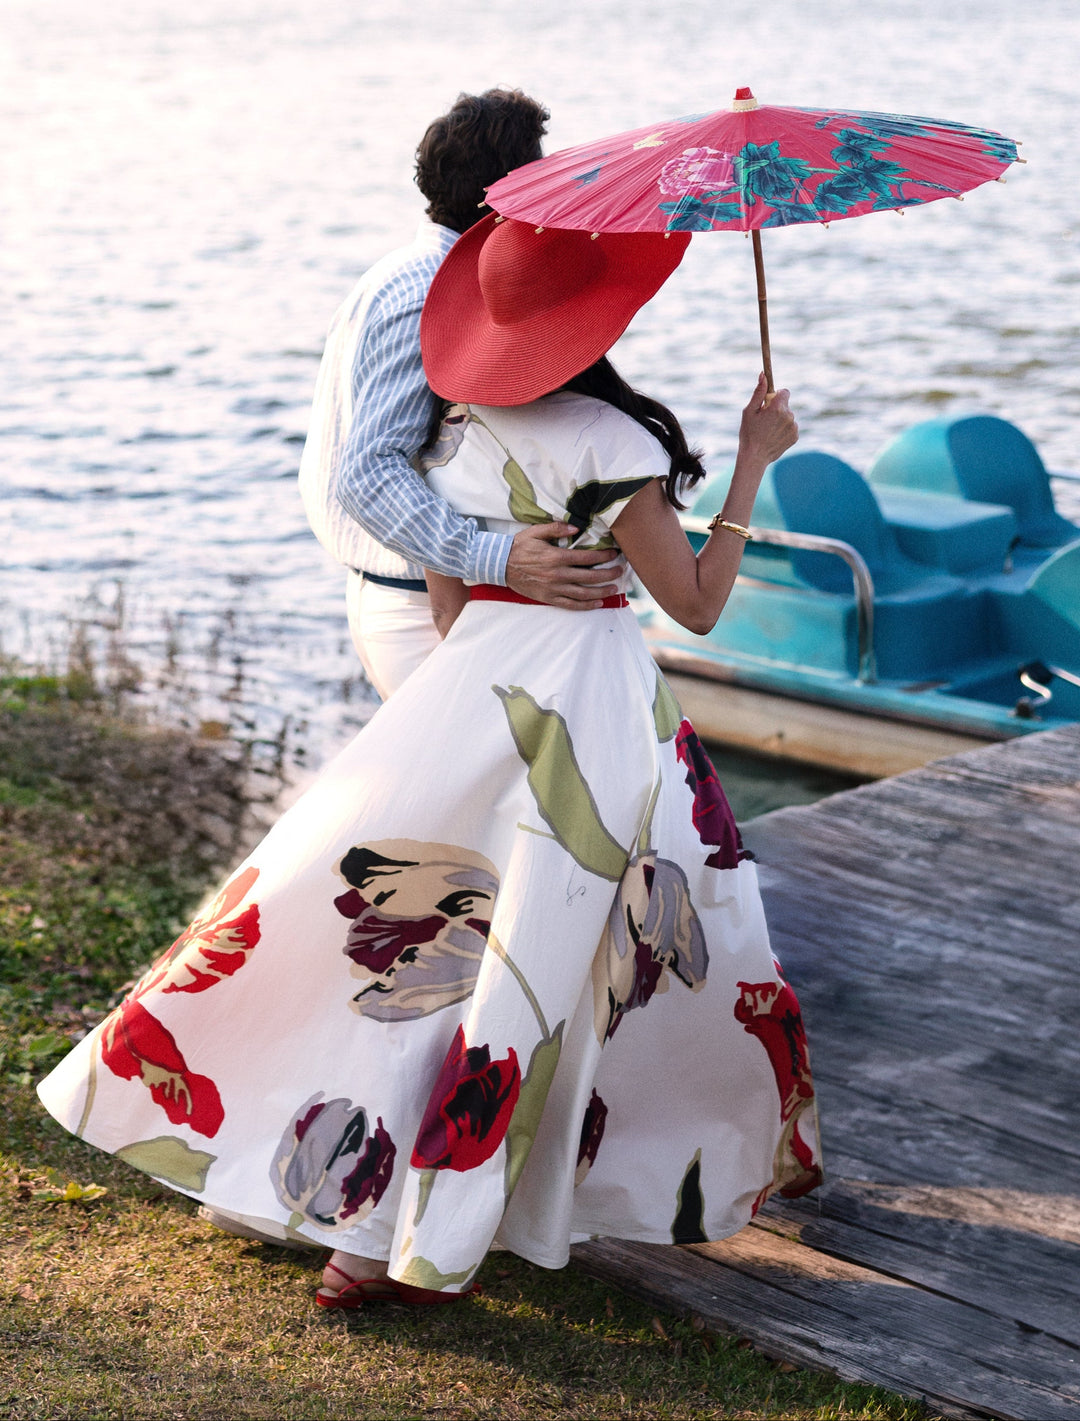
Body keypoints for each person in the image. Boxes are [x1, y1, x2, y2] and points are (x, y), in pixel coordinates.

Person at [38, 215, 820, 1310]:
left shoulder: (452, 436)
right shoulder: (614, 444)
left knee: (424, 964)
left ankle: (355, 1231)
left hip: (468, 700)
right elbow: (694, 606)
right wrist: (751, 463)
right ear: (597, 318)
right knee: (562, 956)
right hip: (589, 713)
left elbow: (449, 607)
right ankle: (460, 1219)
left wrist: (509, 605)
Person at [299, 87, 622, 701]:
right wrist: (498, 559)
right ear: (507, 190)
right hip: (415, 605)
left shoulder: (406, 273)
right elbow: (368, 474)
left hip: (416, 593)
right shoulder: (429, 293)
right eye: (538, 175)